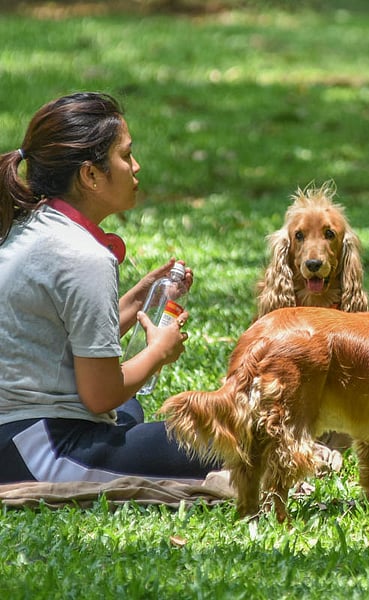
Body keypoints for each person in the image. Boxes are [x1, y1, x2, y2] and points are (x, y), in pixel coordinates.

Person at [0, 92, 219, 483]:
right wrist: (158, 352)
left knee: (131, 409)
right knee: (221, 440)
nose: (136, 167)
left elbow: (63, 337)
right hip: (42, 449)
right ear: (90, 175)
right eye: (125, 155)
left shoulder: (32, 224)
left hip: (14, 434)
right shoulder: (83, 255)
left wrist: (142, 295)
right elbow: (100, 395)